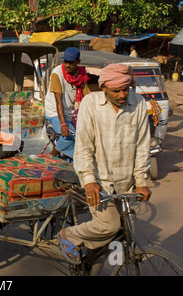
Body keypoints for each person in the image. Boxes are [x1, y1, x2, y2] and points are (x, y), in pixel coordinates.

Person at [57, 63, 151, 265]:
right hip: (101, 181)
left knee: (120, 230)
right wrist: (89, 180)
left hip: (125, 182)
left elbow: (143, 145)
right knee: (108, 225)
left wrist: (142, 180)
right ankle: (69, 235)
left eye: (125, 89)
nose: (122, 95)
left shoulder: (139, 103)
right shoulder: (91, 103)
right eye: (116, 91)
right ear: (104, 88)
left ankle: (94, 263)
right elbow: (83, 146)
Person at [44, 47, 90, 160]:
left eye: (71, 62)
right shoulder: (57, 73)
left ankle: (71, 162)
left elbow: (88, 96)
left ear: (78, 62)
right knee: (70, 135)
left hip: (71, 113)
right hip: (55, 111)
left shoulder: (81, 74)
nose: (67, 65)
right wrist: (63, 125)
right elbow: (58, 101)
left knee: (84, 137)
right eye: (65, 62)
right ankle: (51, 156)